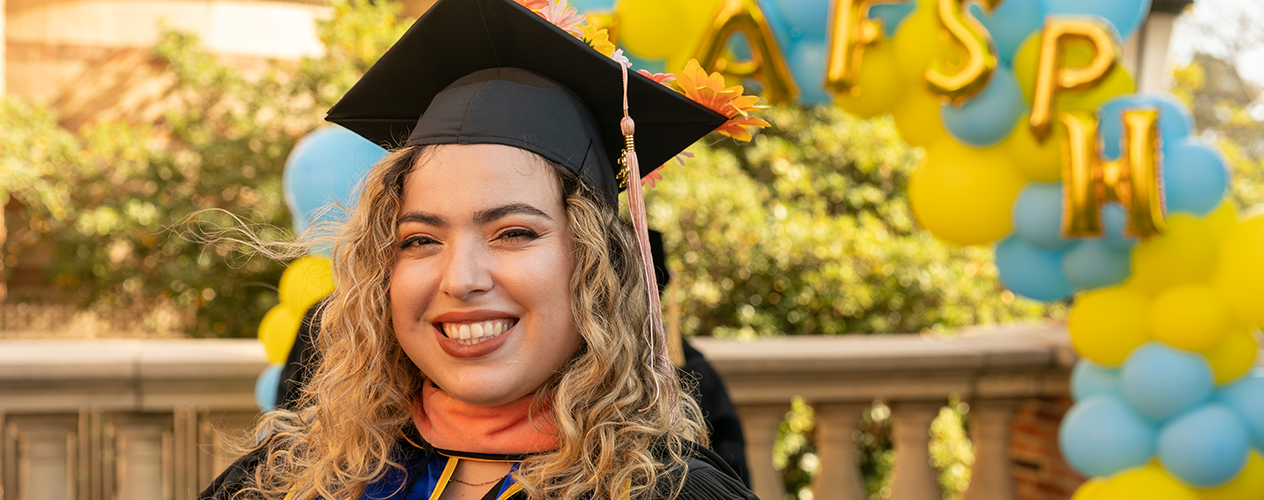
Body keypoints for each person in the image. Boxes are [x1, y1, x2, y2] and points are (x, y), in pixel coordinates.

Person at [200, 0, 766, 498]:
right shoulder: (291, 480)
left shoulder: (668, 492)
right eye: (420, 240)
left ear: (596, 264)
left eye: (514, 233)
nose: (460, 279)